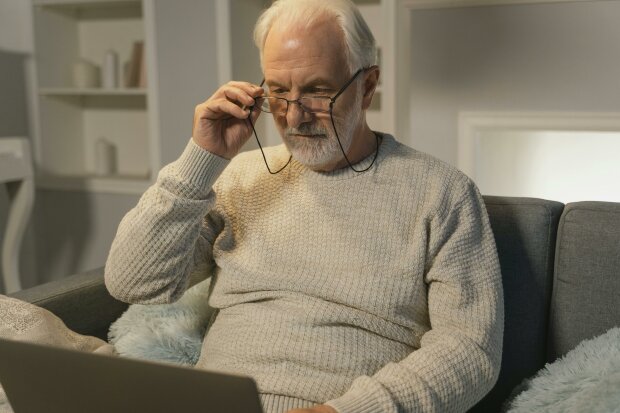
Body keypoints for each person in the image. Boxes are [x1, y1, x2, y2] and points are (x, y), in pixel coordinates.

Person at [104, 0, 504, 412]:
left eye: (317, 90)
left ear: (367, 87)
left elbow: (471, 349)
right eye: (278, 91)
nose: (294, 117)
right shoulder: (238, 178)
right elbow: (133, 283)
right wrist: (200, 160)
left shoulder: (443, 192)